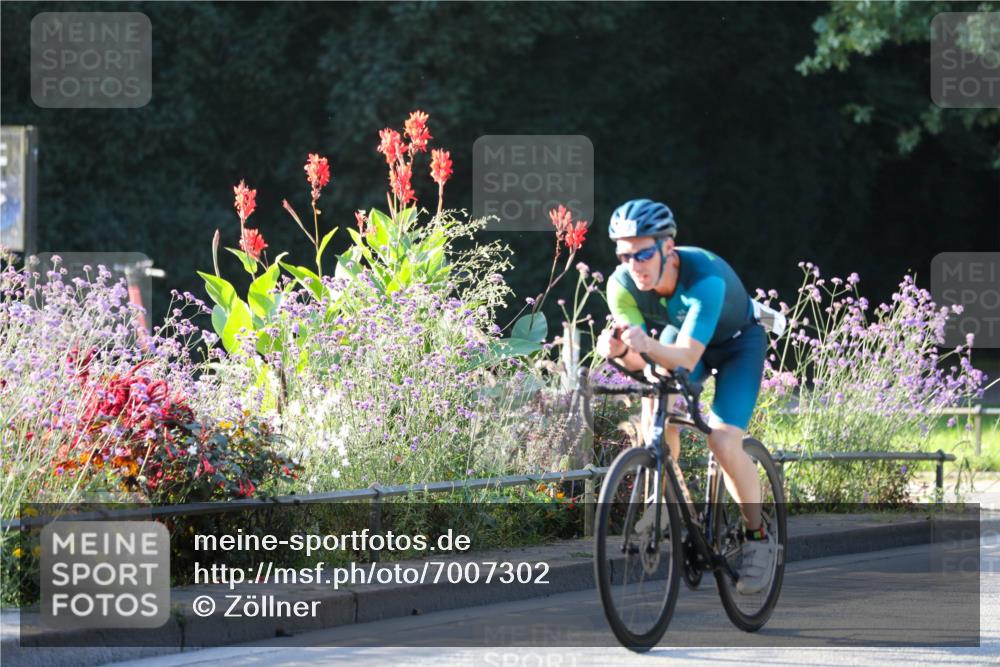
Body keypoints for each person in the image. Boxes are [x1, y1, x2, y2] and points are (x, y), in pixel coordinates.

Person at [594, 198, 777, 595]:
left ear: (668, 249)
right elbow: (647, 363)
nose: (634, 264)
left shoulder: (704, 280)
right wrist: (621, 352)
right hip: (682, 342)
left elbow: (688, 356)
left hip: (735, 346)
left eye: (643, 253)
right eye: (625, 255)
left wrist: (643, 349)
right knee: (657, 401)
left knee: (724, 440)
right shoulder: (621, 285)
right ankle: (657, 507)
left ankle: (758, 537)